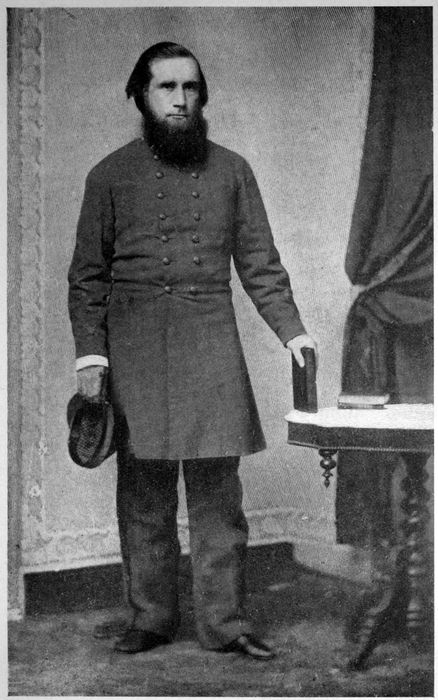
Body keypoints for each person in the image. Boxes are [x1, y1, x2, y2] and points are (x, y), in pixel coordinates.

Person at [68, 42, 317, 659]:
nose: (180, 100)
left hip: (210, 340)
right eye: (167, 87)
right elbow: (87, 277)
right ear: (141, 96)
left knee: (218, 496)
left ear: (202, 96)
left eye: (191, 87)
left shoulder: (233, 170)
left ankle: (226, 624)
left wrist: (294, 332)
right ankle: (150, 617)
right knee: (143, 493)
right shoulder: (107, 175)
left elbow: (260, 264)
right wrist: (91, 357)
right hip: (135, 347)